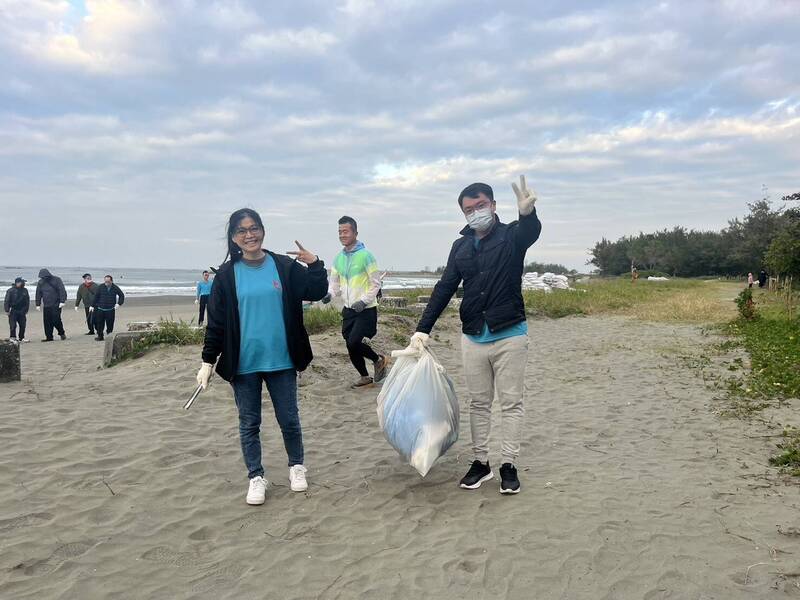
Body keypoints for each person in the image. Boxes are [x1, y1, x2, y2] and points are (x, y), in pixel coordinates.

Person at [406, 176, 541, 495]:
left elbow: (529, 233)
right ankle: (481, 463)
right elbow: (445, 288)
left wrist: (527, 214)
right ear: (463, 214)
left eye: (481, 205)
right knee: (479, 403)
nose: (476, 212)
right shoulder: (461, 246)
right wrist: (423, 329)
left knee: (510, 403)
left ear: (493, 206)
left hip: (510, 334)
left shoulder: (511, 236)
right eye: (469, 209)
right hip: (473, 336)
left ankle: (508, 464)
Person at [196, 208, 328, 506]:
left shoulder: (283, 266)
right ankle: (256, 477)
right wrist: (207, 361)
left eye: (254, 228)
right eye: (242, 231)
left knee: (289, 420)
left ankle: (297, 467)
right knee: (249, 423)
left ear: (263, 230)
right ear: (234, 237)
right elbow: (216, 322)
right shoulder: (227, 275)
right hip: (243, 363)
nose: (249, 234)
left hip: (282, 359)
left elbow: (316, 291)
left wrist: (316, 263)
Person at [321, 216, 389, 388]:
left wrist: (363, 301)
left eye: (346, 231)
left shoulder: (366, 256)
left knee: (354, 342)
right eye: (340, 232)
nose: (342, 235)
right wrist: (329, 294)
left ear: (355, 233)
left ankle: (377, 359)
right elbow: (335, 282)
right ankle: (365, 376)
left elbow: (375, 283)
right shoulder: (338, 258)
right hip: (349, 309)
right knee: (349, 344)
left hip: (365, 309)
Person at [34, 268, 67, 342]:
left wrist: (62, 301)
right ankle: (49, 337)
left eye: (44, 276)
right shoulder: (40, 282)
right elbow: (38, 293)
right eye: (42, 277)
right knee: (47, 322)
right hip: (46, 305)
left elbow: (62, 290)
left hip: (56, 304)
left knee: (56, 320)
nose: (43, 278)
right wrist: (38, 304)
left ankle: (61, 333)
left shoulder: (57, 280)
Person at [90, 275, 125, 341]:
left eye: (108, 282)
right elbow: (96, 297)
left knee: (110, 324)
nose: (106, 283)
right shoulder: (100, 287)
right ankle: (100, 336)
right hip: (100, 309)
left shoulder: (115, 287)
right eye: (105, 281)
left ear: (111, 281)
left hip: (110, 310)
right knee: (100, 324)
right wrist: (92, 306)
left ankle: (109, 336)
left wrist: (119, 304)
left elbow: (121, 295)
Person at [4, 277, 30, 342]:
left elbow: (27, 301)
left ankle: (21, 338)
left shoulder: (25, 290)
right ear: (17, 283)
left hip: (22, 310)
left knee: (23, 325)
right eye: (22, 282)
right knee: (13, 325)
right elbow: (7, 300)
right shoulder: (10, 290)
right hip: (13, 310)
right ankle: (13, 337)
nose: (23, 283)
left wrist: (26, 310)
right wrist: (7, 310)